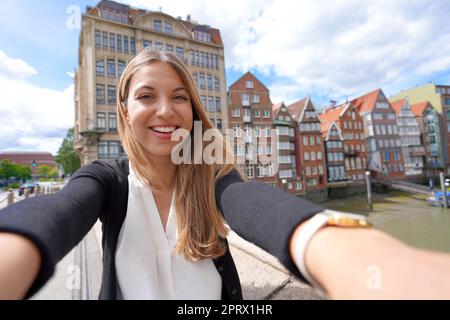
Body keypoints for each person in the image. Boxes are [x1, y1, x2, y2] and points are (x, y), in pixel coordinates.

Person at [0, 49, 450, 300]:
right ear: (124, 110)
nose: (165, 110)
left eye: (179, 97)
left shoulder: (210, 173)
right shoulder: (107, 179)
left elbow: (254, 205)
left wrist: (356, 255)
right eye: (146, 96)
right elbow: (61, 209)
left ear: (193, 109)